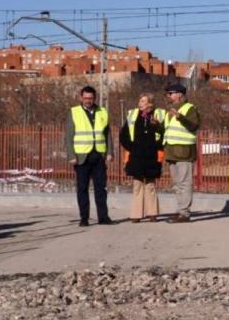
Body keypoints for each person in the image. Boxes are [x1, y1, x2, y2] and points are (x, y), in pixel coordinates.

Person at [66, 86, 113, 226]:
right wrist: (71, 155)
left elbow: (107, 133)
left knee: (101, 188)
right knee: (82, 188)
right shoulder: (74, 112)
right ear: (81, 97)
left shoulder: (102, 111)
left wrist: (110, 152)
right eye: (86, 98)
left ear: (95, 98)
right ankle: (84, 218)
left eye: (91, 98)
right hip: (81, 157)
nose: (88, 101)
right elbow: (68, 136)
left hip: (98, 155)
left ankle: (103, 217)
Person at [120, 93, 166, 223]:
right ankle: (136, 214)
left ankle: (152, 213)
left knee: (150, 185)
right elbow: (123, 135)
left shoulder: (159, 115)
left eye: (143, 101)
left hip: (152, 155)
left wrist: (156, 126)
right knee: (137, 185)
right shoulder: (133, 115)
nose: (140, 103)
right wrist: (131, 147)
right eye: (140, 100)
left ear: (150, 103)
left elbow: (164, 134)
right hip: (136, 155)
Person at [163, 83, 200, 223]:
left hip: (184, 152)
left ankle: (184, 213)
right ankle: (180, 210)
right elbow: (168, 130)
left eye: (170, 93)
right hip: (172, 152)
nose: (168, 96)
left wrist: (180, 117)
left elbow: (194, 125)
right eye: (167, 94)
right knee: (177, 184)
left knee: (185, 183)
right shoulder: (170, 111)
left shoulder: (189, 108)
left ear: (179, 94)